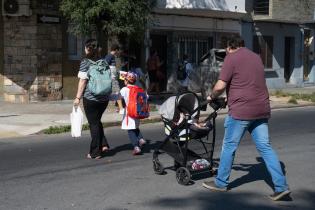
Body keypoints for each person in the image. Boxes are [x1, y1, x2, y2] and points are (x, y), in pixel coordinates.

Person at [202, 37, 290, 201]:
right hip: (261, 109)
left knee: (229, 146)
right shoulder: (256, 57)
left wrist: (210, 97)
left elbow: (220, 86)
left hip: (242, 111)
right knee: (265, 147)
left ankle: (221, 183)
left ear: (229, 47)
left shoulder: (231, 58)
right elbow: (247, 82)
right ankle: (281, 186)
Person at [74, 39, 110, 159]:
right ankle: (104, 144)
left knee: (93, 124)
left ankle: (95, 152)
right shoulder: (104, 61)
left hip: (91, 99)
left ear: (88, 48)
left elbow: (83, 81)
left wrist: (77, 97)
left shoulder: (85, 62)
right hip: (104, 99)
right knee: (97, 120)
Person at [118, 72, 147, 155]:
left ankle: (136, 147)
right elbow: (146, 96)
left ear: (126, 81)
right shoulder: (139, 88)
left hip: (129, 112)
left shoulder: (124, 89)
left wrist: (120, 107)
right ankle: (141, 139)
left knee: (130, 130)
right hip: (138, 112)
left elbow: (118, 97)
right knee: (135, 127)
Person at [104, 44, 124, 114]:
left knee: (116, 92)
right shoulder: (110, 56)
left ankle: (119, 108)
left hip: (113, 77)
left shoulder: (112, 57)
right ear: (116, 50)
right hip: (112, 78)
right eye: (118, 50)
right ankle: (121, 109)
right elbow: (105, 64)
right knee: (117, 92)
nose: (118, 52)